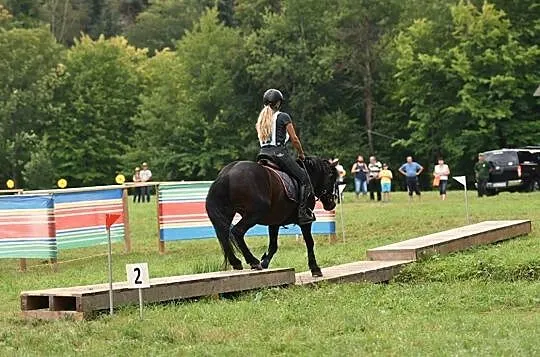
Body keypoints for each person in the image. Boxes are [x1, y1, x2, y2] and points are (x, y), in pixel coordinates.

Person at [256, 89, 314, 225]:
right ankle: (302, 213)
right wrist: (301, 154)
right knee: (305, 179)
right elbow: (294, 139)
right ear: (278, 103)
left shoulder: (261, 119)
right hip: (279, 154)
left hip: (262, 154)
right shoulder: (283, 116)